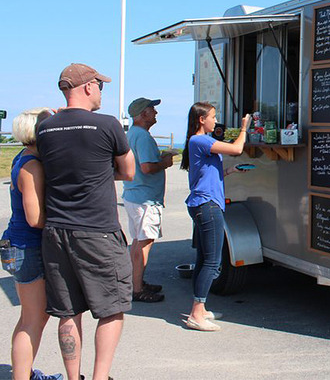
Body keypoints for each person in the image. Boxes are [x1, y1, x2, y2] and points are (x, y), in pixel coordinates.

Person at [36, 63, 135, 380]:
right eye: (100, 86)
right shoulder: (107, 125)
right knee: (112, 308)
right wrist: (103, 171)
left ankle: (72, 377)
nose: (102, 92)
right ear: (89, 87)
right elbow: (129, 171)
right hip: (97, 230)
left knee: (67, 311)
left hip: (56, 230)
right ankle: (99, 377)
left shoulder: (45, 129)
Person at [1, 108, 63, 380]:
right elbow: (35, 218)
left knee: (31, 317)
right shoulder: (32, 166)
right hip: (27, 247)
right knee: (33, 320)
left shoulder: (24, 157)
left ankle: (23, 372)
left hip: (19, 244)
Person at [180, 102, 250, 331]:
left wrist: (230, 171)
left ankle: (200, 309)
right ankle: (196, 314)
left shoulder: (199, 142)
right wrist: (244, 128)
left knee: (203, 259)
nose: (216, 120)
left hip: (203, 204)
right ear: (201, 120)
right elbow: (237, 149)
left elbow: (208, 174)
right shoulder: (200, 140)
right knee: (212, 261)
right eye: (213, 116)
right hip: (207, 206)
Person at [121, 97, 174, 304]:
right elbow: (147, 167)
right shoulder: (142, 136)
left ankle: (136, 282)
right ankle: (137, 289)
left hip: (135, 195)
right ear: (143, 114)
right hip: (145, 198)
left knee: (137, 241)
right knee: (144, 243)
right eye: (152, 110)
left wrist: (159, 159)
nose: (156, 113)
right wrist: (165, 162)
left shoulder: (133, 134)